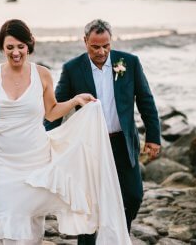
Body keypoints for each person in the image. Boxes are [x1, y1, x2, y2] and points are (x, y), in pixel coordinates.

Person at [0, 19, 132, 245]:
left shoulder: (42, 75)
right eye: (9, 47)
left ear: (29, 46)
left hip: (34, 157)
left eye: (20, 46)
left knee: (30, 221)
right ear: (2, 48)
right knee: (6, 215)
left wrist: (74, 101)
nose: (16, 52)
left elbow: (51, 112)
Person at [44, 19, 161, 245]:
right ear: (85, 41)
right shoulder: (72, 69)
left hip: (122, 142)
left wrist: (153, 137)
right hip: (90, 146)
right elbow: (58, 106)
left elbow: (146, 100)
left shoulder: (129, 62)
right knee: (89, 202)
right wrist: (47, 138)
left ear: (111, 41)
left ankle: (117, 236)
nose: (101, 51)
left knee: (133, 196)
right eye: (95, 46)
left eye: (106, 45)